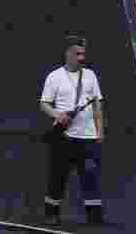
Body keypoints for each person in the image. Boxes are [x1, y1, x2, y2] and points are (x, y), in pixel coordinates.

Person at [40, 35, 105, 226]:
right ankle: (51, 214)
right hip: (64, 137)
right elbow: (43, 104)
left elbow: (97, 105)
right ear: (67, 53)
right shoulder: (54, 76)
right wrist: (57, 114)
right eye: (77, 54)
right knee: (58, 176)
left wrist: (100, 130)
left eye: (83, 54)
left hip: (88, 137)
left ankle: (94, 217)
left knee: (90, 176)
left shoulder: (90, 75)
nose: (81, 58)